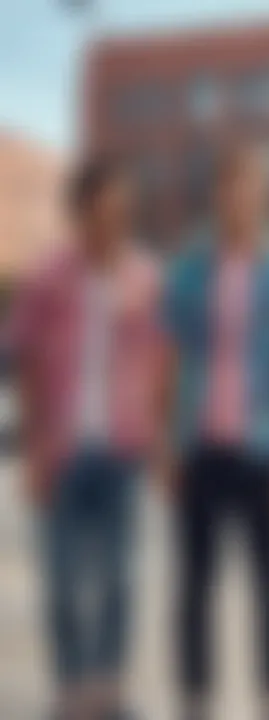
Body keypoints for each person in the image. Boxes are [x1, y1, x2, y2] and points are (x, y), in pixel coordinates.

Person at [161, 143, 269, 720]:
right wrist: (166, 444)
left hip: (265, 446)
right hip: (200, 445)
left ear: (264, 193)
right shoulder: (189, 267)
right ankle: (194, 698)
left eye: (249, 186)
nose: (238, 198)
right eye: (228, 187)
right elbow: (173, 358)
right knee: (194, 585)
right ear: (216, 195)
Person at [6, 156, 161, 720]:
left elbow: (157, 357)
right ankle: (73, 694)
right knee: (65, 581)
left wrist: (156, 437)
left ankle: (109, 691)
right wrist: (29, 451)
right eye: (105, 210)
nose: (117, 221)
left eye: (124, 210)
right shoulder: (49, 275)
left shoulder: (144, 274)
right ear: (80, 212)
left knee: (121, 579)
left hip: (122, 450)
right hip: (62, 451)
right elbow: (21, 359)